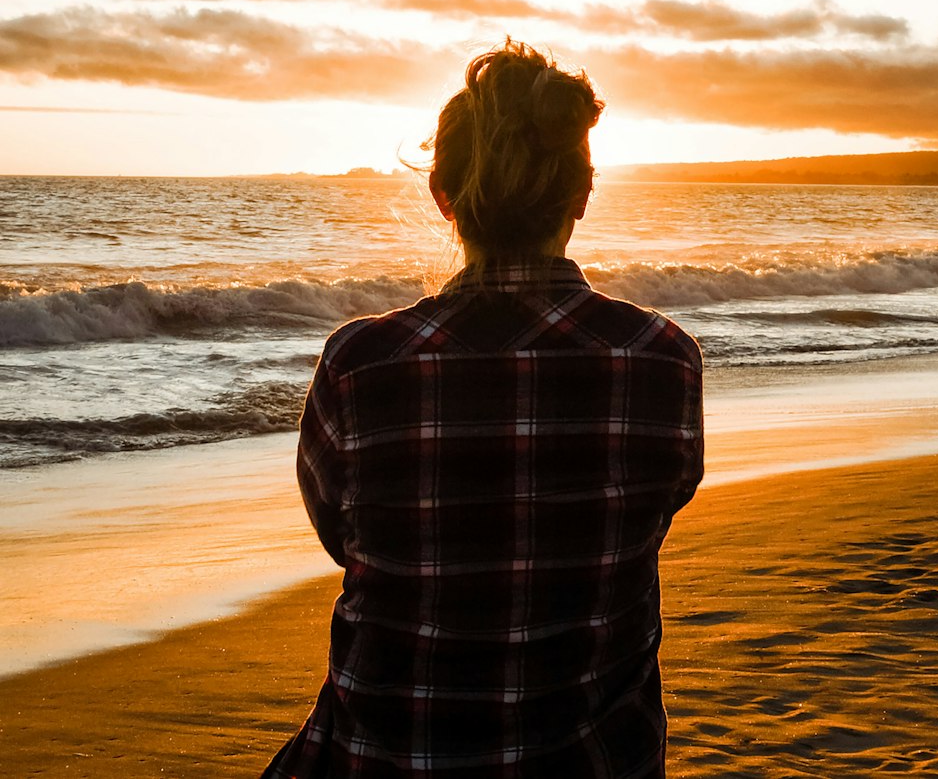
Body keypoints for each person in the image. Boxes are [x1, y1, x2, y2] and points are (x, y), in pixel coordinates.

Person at [261, 41, 703, 779]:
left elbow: (344, 539)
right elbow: (659, 509)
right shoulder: (659, 358)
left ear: (444, 196)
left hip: (389, 759)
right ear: (584, 192)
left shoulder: (361, 366)